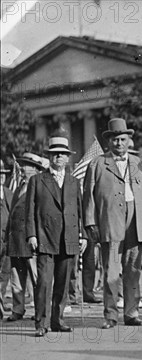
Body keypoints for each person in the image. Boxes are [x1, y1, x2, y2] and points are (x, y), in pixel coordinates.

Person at [83, 118, 142, 329]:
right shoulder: (97, 163)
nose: (119, 143)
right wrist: (90, 223)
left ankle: (132, 313)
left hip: (135, 220)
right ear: (109, 142)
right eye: (115, 140)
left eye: (123, 139)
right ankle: (110, 316)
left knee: (133, 268)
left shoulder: (139, 162)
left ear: (128, 140)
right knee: (111, 271)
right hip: (110, 220)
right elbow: (88, 197)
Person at [26, 136, 87, 337]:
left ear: (68, 158)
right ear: (49, 157)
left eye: (62, 154)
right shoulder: (37, 180)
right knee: (44, 282)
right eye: (55, 154)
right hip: (44, 238)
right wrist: (32, 234)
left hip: (68, 238)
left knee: (63, 282)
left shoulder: (73, 182)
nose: (59, 157)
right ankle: (41, 323)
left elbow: (80, 210)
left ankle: (57, 321)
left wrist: (83, 235)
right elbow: (30, 210)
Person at [5, 153, 47, 322]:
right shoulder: (19, 186)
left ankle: (40, 311)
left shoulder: (40, 187)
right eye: (22, 164)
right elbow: (11, 213)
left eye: (26, 165)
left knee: (37, 278)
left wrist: (36, 236)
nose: (22, 168)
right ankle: (17, 309)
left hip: (31, 240)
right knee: (16, 279)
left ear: (36, 169)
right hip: (15, 240)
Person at [0, 161, 14, 319]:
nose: (1, 177)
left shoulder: (9, 194)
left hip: (6, 242)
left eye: (3, 174)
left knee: (4, 275)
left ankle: (1, 303)